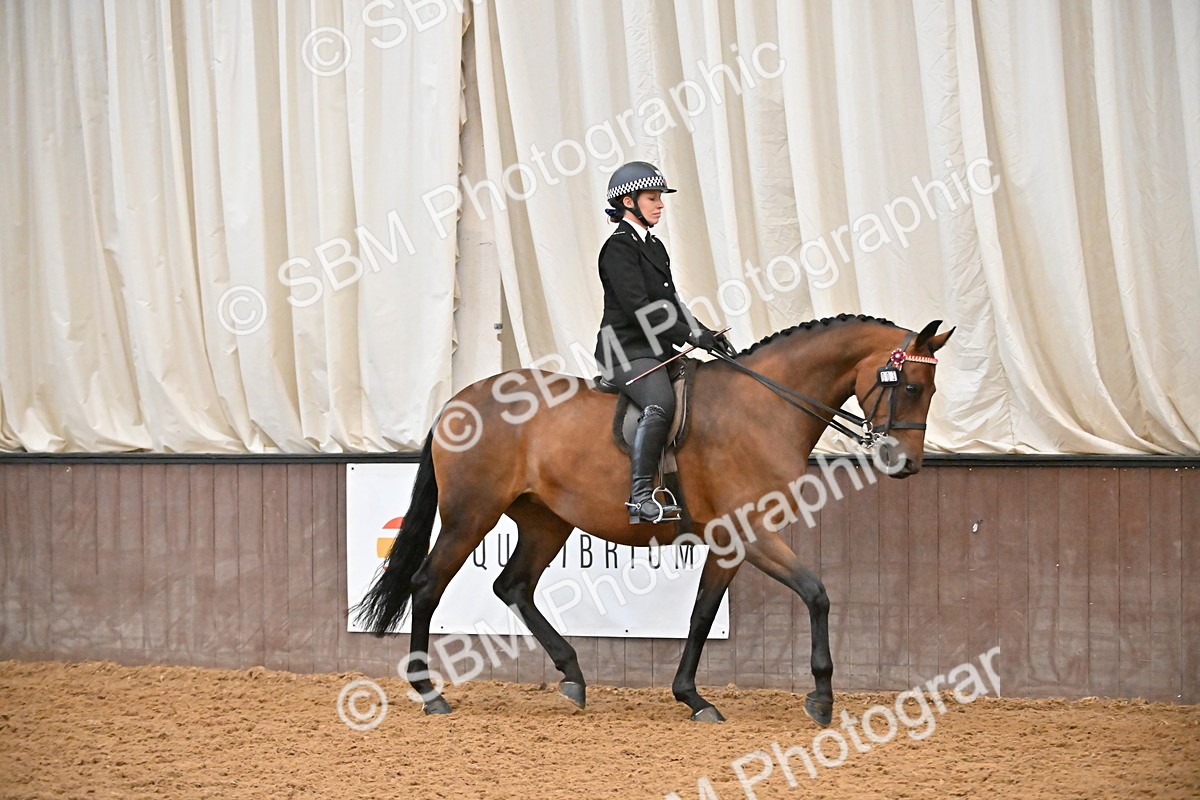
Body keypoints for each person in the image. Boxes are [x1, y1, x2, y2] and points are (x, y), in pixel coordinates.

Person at [593, 161, 737, 524]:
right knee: (660, 402)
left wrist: (706, 334)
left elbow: (672, 304)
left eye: (660, 198)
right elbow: (640, 309)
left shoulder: (654, 246)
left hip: (656, 349)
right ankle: (641, 497)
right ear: (628, 202)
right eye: (652, 198)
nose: (660, 205)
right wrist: (690, 336)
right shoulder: (618, 248)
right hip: (624, 349)